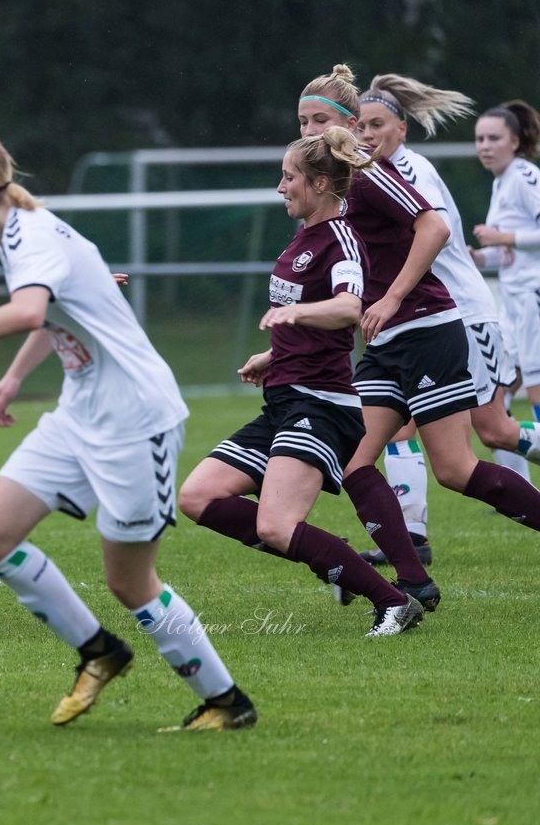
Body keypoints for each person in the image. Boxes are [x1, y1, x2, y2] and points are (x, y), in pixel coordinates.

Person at [0, 126, 256, 731]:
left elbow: (31, 309)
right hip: (80, 413)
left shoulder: (30, 235)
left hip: (136, 420)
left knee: (130, 582)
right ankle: (99, 651)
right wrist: (11, 377)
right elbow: (56, 314)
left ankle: (226, 701)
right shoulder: (14, 231)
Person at [295, 66, 540, 610]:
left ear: (350, 124)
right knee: (354, 459)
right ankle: (413, 584)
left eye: (321, 119)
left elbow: (435, 228)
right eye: (303, 121)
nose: (310, 129)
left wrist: (391, 298)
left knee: (458, 466)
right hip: (387, 343)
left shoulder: (366, 171)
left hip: (429, 329)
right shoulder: (328, 184)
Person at [179, 127, 424, 635]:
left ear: (317, 184)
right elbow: (312, 320)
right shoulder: (304, 237)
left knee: (274, 524)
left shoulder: (340, 239)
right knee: (198, 498)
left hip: (322, 405)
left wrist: (296, 317)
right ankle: (330, 558)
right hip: (286, 399)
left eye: (288, 177)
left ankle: (394, 602)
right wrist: (274, 355)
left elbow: (347, 308)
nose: (280, 187)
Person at [353, 76, 540, 567]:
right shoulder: (372, 174)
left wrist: (389, 295)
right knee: (396, 426)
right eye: (361, 126)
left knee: (494, 432)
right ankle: (412, 535)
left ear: (402, 128)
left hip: (459, 314)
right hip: (418, 321)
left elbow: (431, 233)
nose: (368, 134)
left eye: (378, 125)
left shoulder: (412, 171)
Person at [471, 100, 540, 431]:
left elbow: (515, 239)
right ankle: (518, 481)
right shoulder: (501, 182)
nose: (485, 146)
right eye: (480, 139)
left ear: (514, 141)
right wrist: (480, 258)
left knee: (533, 380)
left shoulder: (525, 176)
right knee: (500, 392)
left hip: (533, 293)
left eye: (494, 138)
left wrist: (504, 236)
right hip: (514, 298)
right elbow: (510, 250)